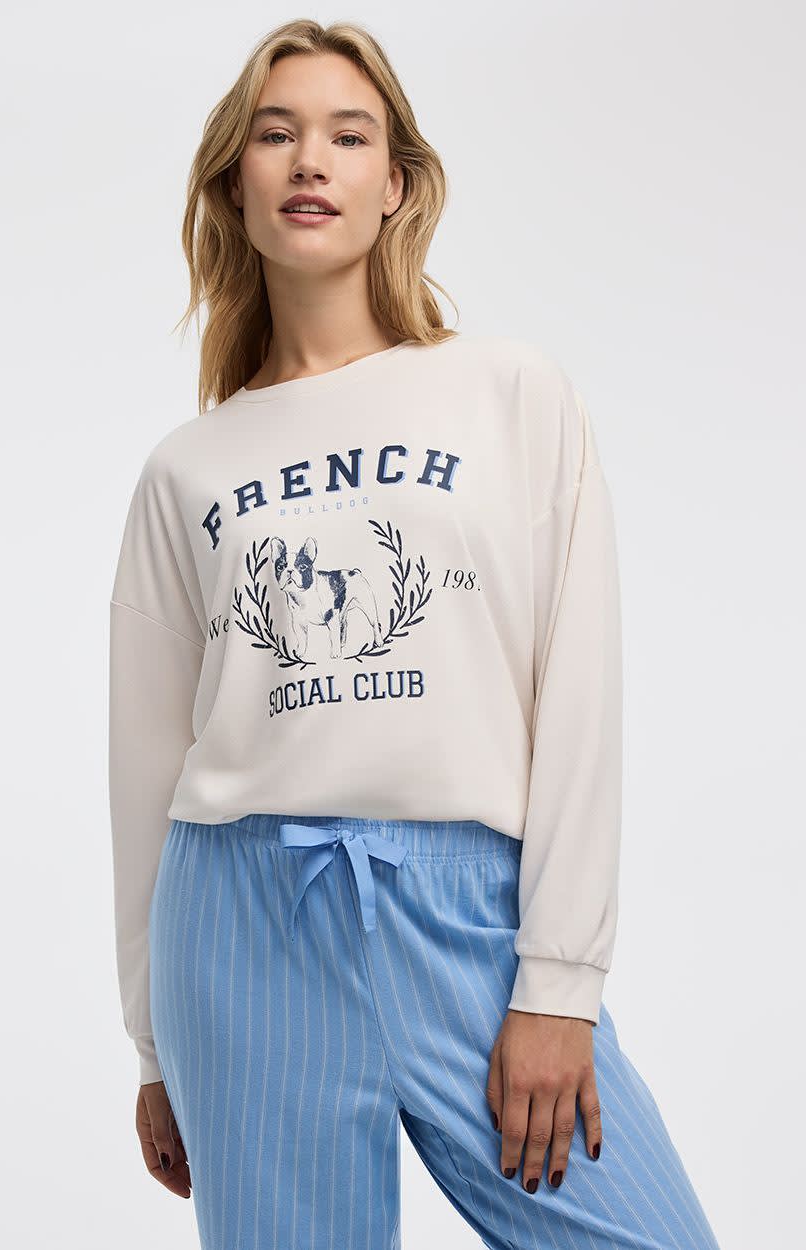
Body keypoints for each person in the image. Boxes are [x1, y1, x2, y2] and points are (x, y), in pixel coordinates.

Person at [108, 18, 720, 1250]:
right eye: (275, 135)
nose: (309, 160)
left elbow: (577, 691)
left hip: (469, 919)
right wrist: (155, 1042)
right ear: (234, 183)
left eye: (348, 136)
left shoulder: (509, 392)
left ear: (395, 184)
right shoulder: (187, 467)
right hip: (242, 924)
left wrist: (560, 983)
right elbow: (144, 765)